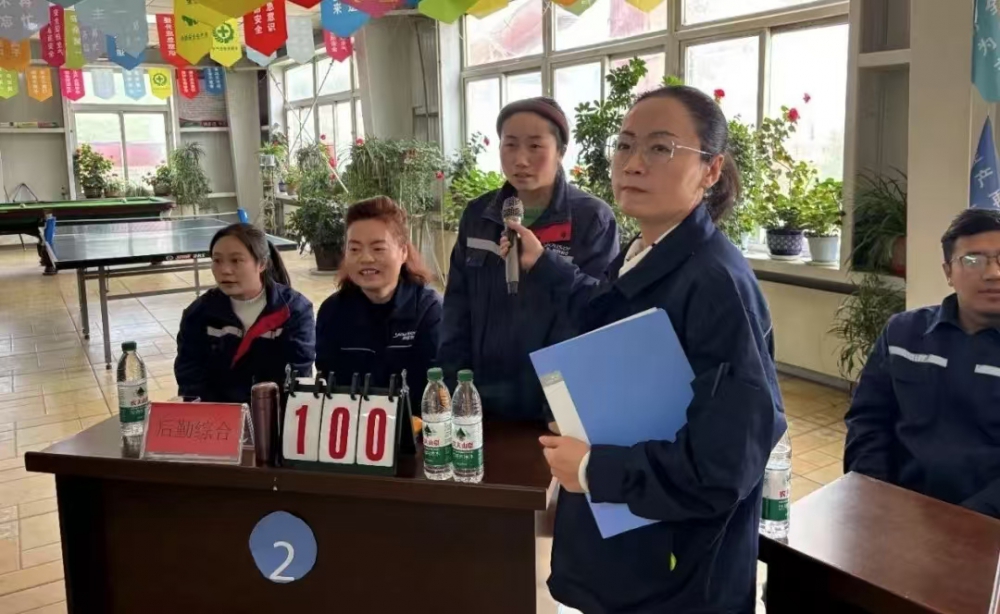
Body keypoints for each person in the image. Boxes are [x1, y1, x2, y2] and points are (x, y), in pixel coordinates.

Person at [503, 86, 785, 613]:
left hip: (675, 575)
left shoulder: (716, 284)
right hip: (629, 555)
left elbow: (726, 463)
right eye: (625, 145)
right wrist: (545, 265)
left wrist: (593, 470)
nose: (633, 164)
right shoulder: (649, 252)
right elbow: (609, 310)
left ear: (711, 169)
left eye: (660, 148)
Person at [440, 96, 620, 423]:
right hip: (483, 398)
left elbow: (601, 309)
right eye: (510, 145)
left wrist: (545, 264)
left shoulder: (592, 219)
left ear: (561, 151)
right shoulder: (479, 215)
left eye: (535, 146)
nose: (521, 159)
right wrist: (455, 386)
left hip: (552, 406)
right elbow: (456, 308)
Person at [845, 208, 1000, 518]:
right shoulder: (903, 333)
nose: (993, 273)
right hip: (897, 511)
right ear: (948, 272)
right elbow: (868, 421)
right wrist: (875, 493)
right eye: (973, 260)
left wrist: (965, 521)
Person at [315, 196, 442, 413]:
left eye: (378, 248)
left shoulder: (430, 311)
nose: (365, 258)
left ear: (403, 252)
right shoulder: (332, 312)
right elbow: (328, 385)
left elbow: (438, 389)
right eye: (354, 249)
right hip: (353, 428)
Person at [174, 223, 315, 404]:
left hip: (275, 412)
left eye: (236, 260)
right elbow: (190, 378)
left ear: (262, 263)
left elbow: (298, 376)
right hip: (219, 415)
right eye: (217, 260)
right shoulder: (198, 314)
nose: (225, 270)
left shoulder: (294, 310)